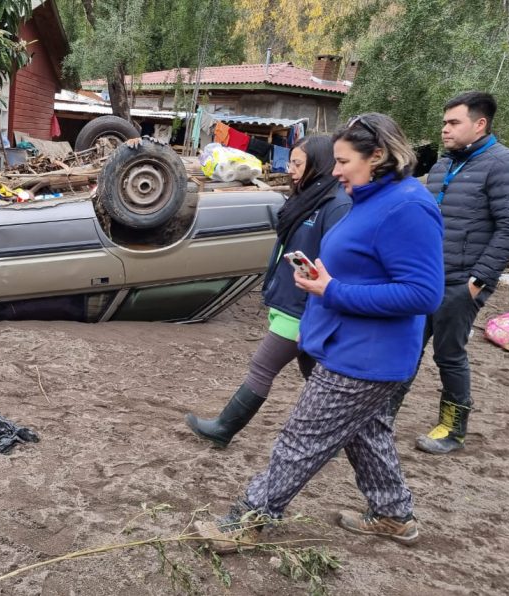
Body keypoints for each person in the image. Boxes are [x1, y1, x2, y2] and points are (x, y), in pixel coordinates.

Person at [195, 113, 444, 551]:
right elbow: (370, 265)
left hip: (366, 355)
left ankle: (247, 520)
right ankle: (393, 514)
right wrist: (327, 280)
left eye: (345, 161)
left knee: (301, 438)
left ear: (379, 156)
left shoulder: (409, 207)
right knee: (367, 434)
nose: (335, 170)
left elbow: (423, 294)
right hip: (347, 343)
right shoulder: (372, 197)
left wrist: (334, 290)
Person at [184, 136, 351, 448]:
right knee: (318, 378)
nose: (291, 169)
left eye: (298, 163)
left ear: (320, 164)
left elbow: (336, 262)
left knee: (263, 366)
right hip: (291, 296)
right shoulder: (307, 197)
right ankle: (341, 435)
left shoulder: (335, 204)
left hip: (304, 305)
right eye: (291, 162)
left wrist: (316, 308)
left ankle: (224, 428)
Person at [393, 92, 509, 455]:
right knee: (405, 347)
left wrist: (478, 281)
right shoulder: (443, 165)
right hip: (424, 278)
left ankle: (453, 429)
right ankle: (383, 415)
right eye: (444, 123)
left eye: (453, 123)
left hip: (461, 282)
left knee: (448, 354)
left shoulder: (505, 165)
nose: (444, 130)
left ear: (480, 123)